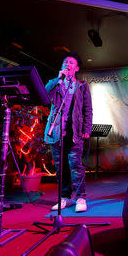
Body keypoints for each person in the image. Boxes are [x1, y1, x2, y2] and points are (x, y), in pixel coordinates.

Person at [44, 53, 92, 212]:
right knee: (61, 168)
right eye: (65, 62)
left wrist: (86, 129)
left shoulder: (82, 86)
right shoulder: (55, 83)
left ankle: (80, 198)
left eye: (71, 62)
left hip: (74, 133)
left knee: (76, 167)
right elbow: (44, 96)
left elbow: (87, 110)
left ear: (76, 68)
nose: (68, 64)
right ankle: (65, 197)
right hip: (56, 133)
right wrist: (58, 79)